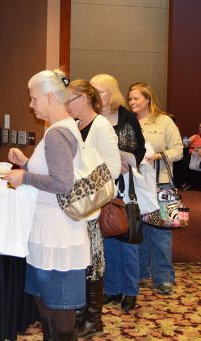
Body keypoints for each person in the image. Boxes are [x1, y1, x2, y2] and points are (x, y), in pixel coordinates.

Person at [4, 69, 90, 341]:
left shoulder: (56, 133)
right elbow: (56, 172)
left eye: (34, 98)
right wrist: (27, 163)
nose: (31, 105)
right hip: (52, 229)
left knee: (60, 314)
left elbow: (63, 183)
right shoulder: (62, 128)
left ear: (50, 96)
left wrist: (24, 176)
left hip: (57, 233)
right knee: (50, 312)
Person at [66, 79, 121, 337]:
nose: (67, 105)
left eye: (70, 100)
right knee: (79, 260)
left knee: (93, 261)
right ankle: (79, 311)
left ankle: (94, 318)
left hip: (94, 203)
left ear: (85, 99)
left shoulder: (101, 127)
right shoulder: (75, 126)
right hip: (78, 204)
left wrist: (87, 183)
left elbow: (113, 168)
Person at [90, 74, 146, 312]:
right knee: (107, 239)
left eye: (100, 91)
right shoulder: (91, 119)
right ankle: (112, 289)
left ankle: (130, 292)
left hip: (126, 188)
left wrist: (126, 160)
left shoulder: (127, 118)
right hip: (102, 186)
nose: (95, 95)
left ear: (111, 93)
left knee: (128, 242)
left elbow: (140, 149)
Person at [128, 82, 183, 295]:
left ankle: (164, 278)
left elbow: (178, 149)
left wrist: (160, 156)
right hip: (137, 184)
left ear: (148, 99)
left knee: (162, 231)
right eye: (130, 98)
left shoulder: (164, 121)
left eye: (136, 98)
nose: (132, 102)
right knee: (138, 230)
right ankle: (141, 274)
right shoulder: (129, 122)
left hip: (162, 183)